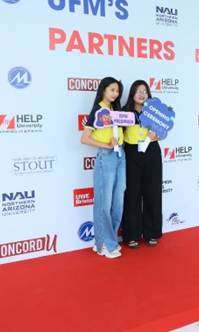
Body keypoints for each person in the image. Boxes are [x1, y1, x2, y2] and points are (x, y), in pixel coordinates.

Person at [80, 77, 125, 259]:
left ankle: (108, 240)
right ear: (104, 90)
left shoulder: (117, 111)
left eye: (117, 91)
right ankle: (103, 244)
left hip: (120, 155)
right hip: (106, 157)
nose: (115, 94)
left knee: (118, 202)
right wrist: (106, 145)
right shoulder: (97, 110)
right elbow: (84, 138)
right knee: (104, 203)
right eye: (112, 90)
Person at [121, 80, 163, 249]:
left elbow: (163, 133)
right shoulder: (124, 112)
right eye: (138, 91)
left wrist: (157, 135)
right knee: (132, 194)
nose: (142, 94)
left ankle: (152, 232)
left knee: (153, 193)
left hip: (151, 152)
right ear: (132, 93)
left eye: (145, 91)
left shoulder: (154, 112)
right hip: (131, 153)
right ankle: (132, 235)